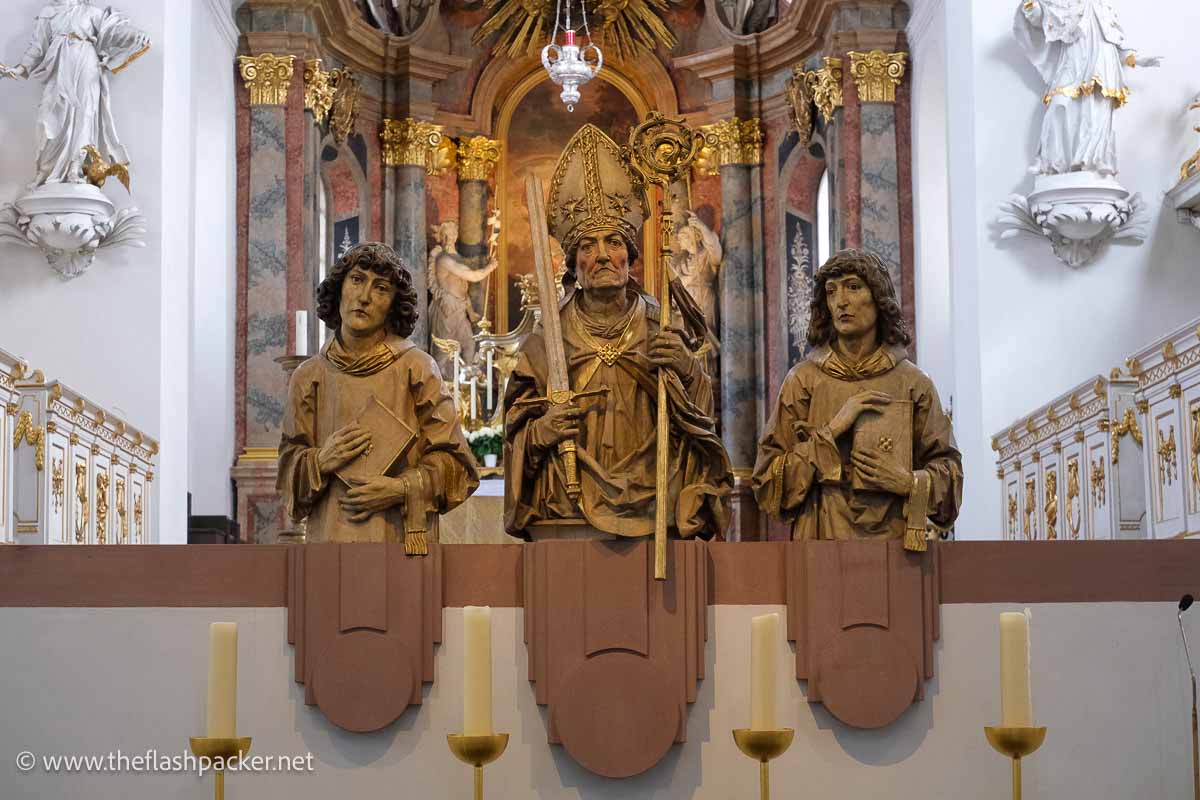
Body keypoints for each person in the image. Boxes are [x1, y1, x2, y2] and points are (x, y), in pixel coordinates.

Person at [504, 124, 732, 540]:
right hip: (567, 509)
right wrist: (541, 433)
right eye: (588, 246)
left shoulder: (663, 325)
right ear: (573, 264)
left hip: (655, 501)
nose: (603, 255)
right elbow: (517, 431)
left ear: (631, 257)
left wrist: (686, 369)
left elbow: (700, 417)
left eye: (613, 242)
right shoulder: (543, 344)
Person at [752, 249, 962, 547]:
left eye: (853, 286)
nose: (841, 301)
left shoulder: (913, 383)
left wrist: (907, 482)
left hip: (895, 555)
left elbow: (951, 483)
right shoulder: (803, 381)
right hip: (818, 545)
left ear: (878, 297)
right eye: (831, 291)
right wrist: (832, 432)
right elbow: (768, 485)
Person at [278, 242, 478, 546]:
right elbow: (288, 478)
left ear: (394, 304)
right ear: (339, 288)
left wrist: (400, 489)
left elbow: (458, 468)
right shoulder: (308, 377)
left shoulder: (417, 368)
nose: (365, 297)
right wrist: (320, 461)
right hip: (329, 544)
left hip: (400, 543)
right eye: (357, 280)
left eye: (381, 288)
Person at [0, 0, 149, 188]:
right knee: (45, 119)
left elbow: (115, 32)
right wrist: (20, 69)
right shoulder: (49, 13)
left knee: (84, 116)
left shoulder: (92, 12)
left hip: (86, 64)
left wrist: (136, 36)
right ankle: (45, 171)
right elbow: (38, 46)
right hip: (58, 65)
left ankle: (75, 168)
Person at [1014, 0, 1160, 177]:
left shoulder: (1103, 7)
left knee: (1097, 112)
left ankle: (1094, 160)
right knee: (1059, 104)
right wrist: (1032, 6)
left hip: (1102, 61)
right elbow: (1042, 19)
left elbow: (1116, 40)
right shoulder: (1065, 3)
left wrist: (1137, 60)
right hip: (1074, 59)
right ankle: (1048, 161)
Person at [427, 219, 499, 378]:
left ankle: (467, 383)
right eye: (446, 234)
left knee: (469, 343)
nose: (450, 237)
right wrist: (490, 267)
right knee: (444, 351)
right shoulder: (444, 259)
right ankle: (440, 387)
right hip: (448, 309)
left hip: (459, 308)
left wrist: (471, 312)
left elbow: (463, 289)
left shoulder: (457, 258)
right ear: (441, 237)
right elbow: (472, 276)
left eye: (453, 233)